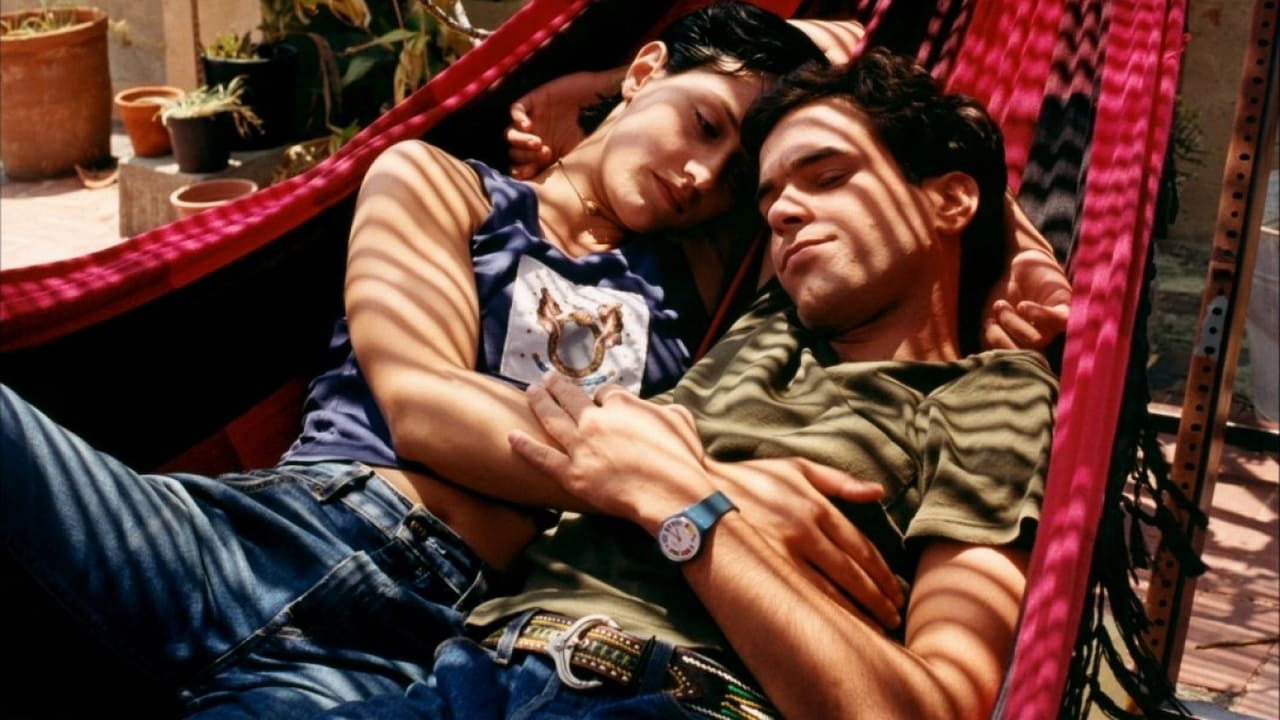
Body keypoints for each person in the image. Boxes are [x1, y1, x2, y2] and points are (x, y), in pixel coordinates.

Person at [0, 4, 848, 718]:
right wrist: (675, 484)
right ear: (646, 69)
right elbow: (423, 405)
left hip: (408, 647)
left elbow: (858, 75)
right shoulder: (445, 184)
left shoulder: (699, 285)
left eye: (736, 174)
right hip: (254, 538)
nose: (701, 175)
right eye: (704, 123)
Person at [315, 47, 1058, 720]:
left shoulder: (990, 395)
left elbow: (932, 705)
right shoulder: (763, 313)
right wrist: (607, 80)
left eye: (828, 177)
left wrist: (683, 502)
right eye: (768, 198)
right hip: (468, 668)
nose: (784, 211)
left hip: (675, 694)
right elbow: (822, 35)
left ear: (949, 200)